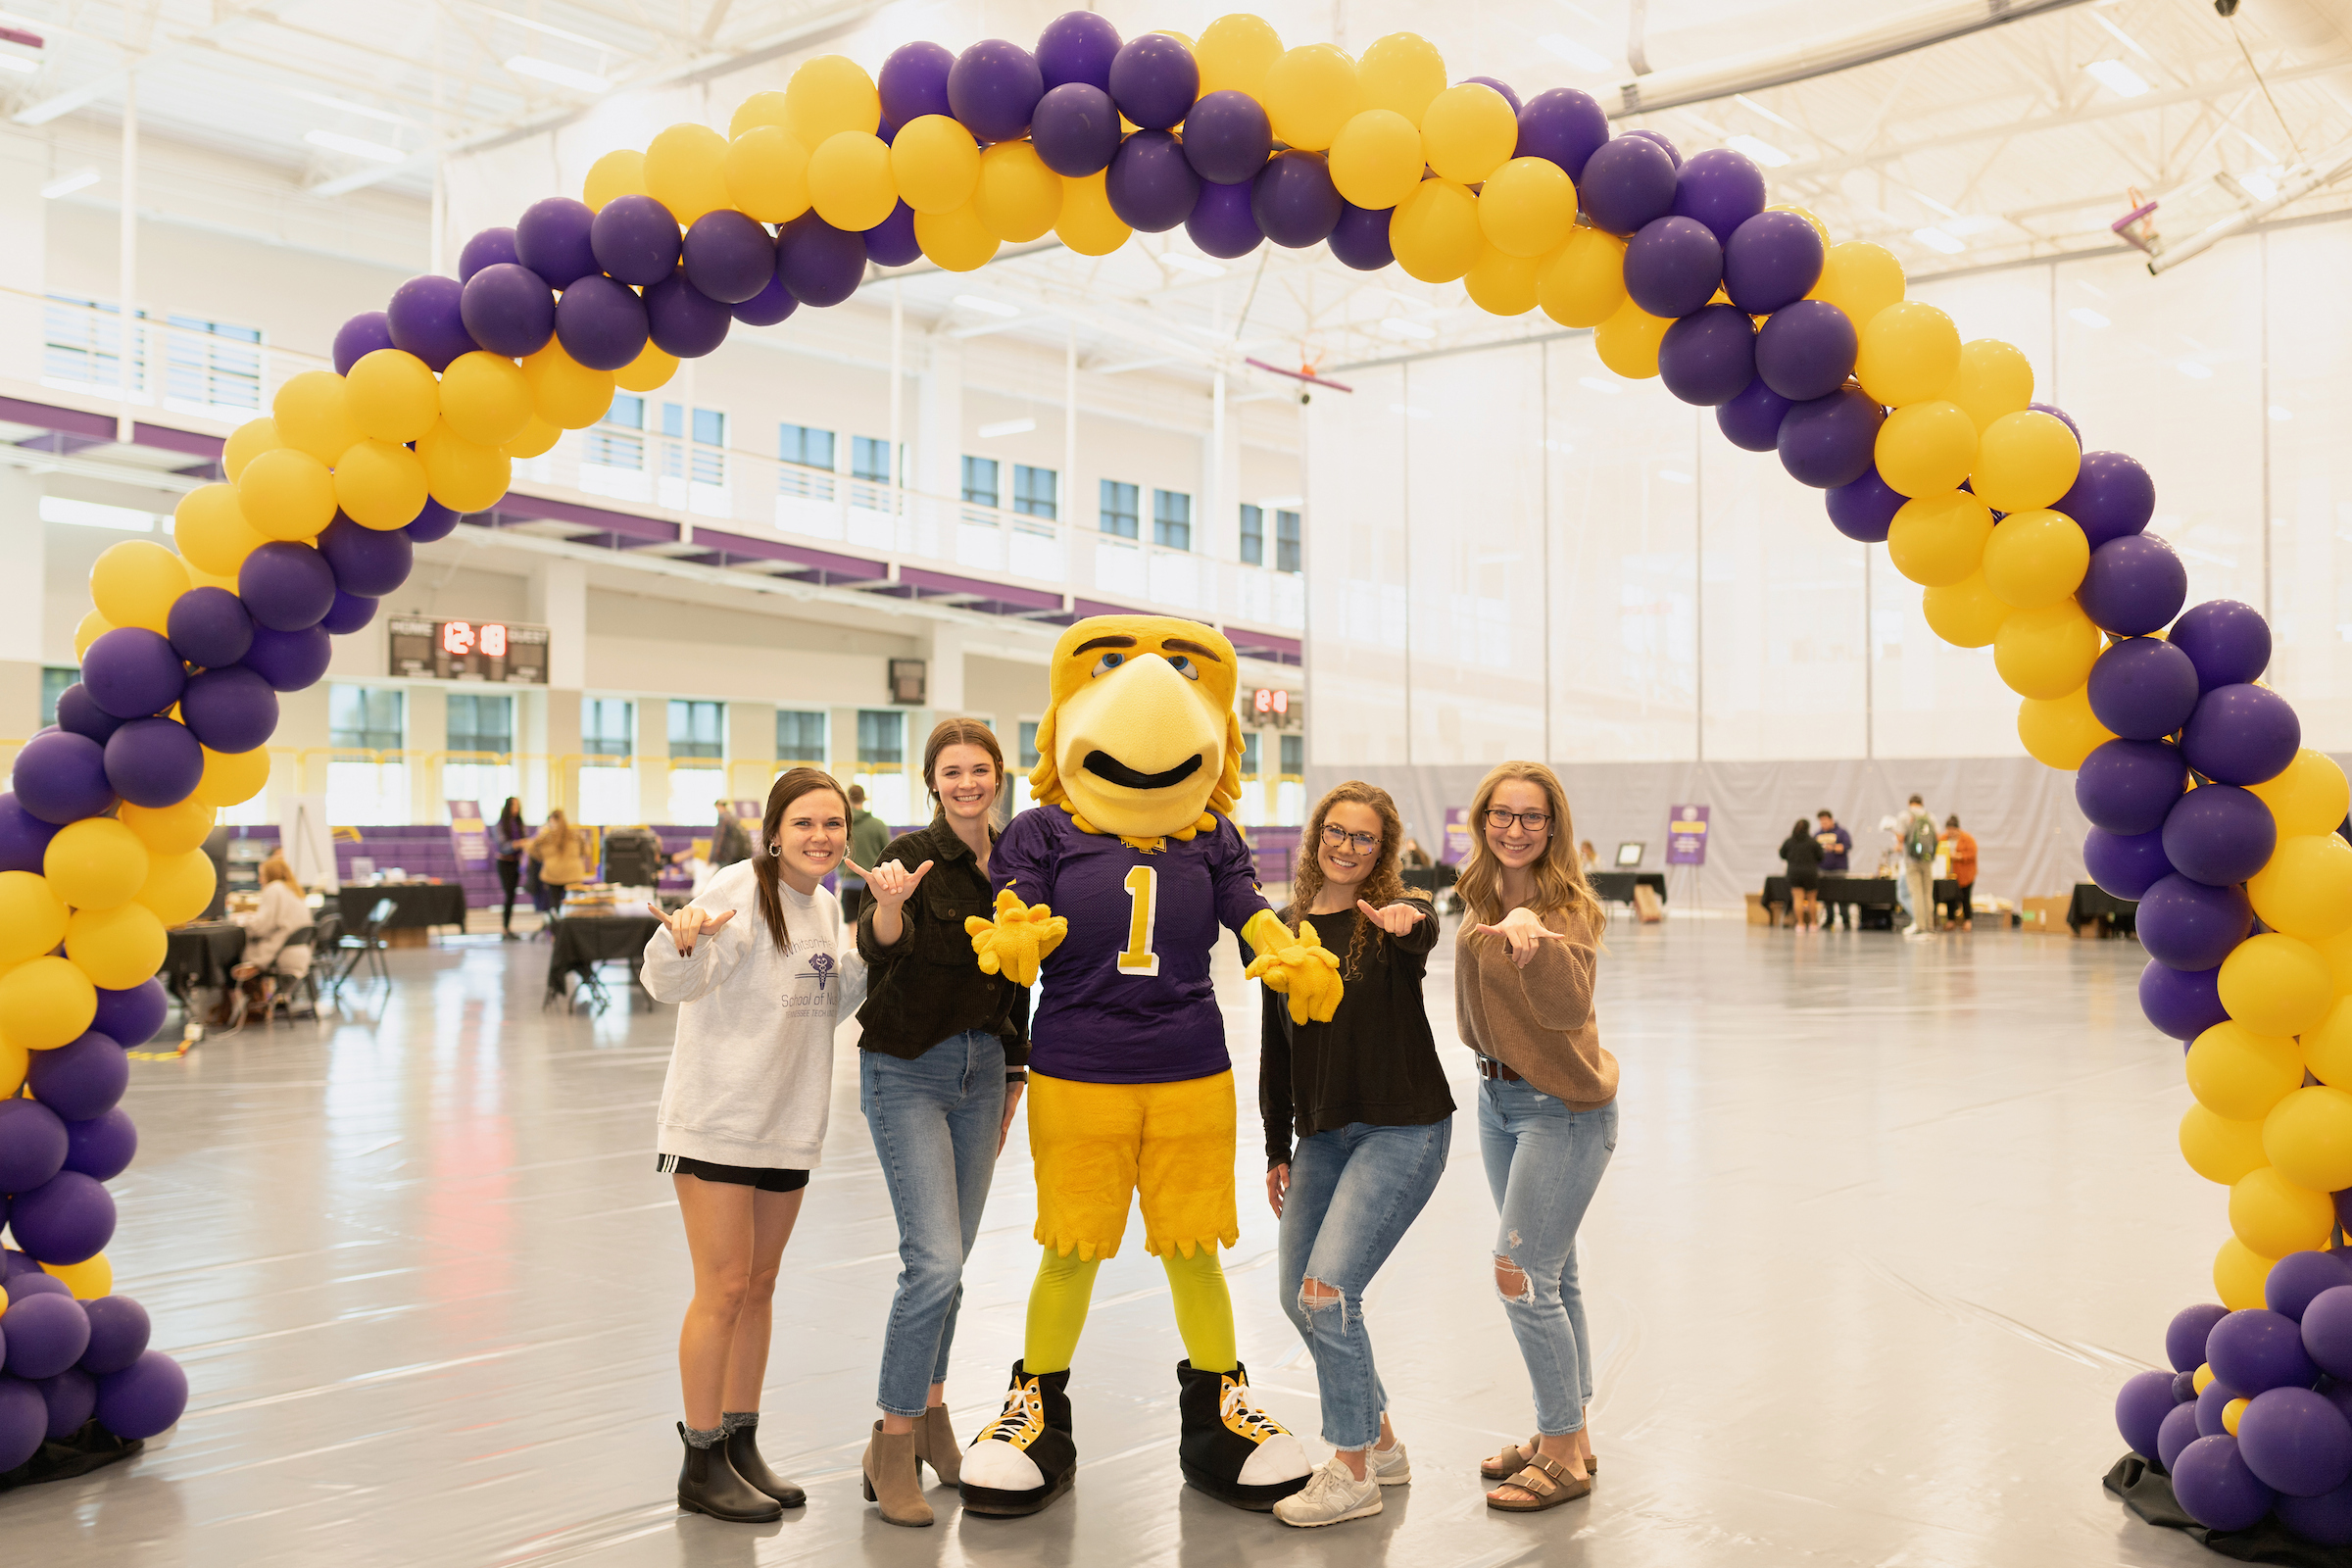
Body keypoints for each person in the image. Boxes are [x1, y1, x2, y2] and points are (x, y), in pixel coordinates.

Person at [642, 767, 866, 1524]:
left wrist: (882, 943)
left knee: (761, 1286)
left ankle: (741, 1443)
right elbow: (672, 984)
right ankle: (700, 1460)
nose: (821, 837)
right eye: (805, 823)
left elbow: (818, 1008)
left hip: (787, 1124)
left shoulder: (828, 908)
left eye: (833, 823)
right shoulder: (736, 890)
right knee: (725, 1287)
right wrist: (677, 944)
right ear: (774, 831)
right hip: (717, 1120)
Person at [851, 720, 1031, 1528]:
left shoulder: (1021, 861)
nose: (967, 782)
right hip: (908, 1069)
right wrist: (889, 907)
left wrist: (1017, 1072)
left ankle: (932, 1416)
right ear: (932, 779)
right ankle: (892, 1441)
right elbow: (883, 945)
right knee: (933, 1261)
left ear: (999, 775)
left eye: (979, 769)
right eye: (951, 771)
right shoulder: (908, 854)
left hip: (983, 1073)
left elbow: (1020, 974)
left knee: (954, 1266)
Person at [1257, 781, 1451, 1529]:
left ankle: (1350, 1470)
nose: (1344, 846)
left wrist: (1408, 918)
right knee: (1294, 1297)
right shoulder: (1284, 926)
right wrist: (1279, 1144)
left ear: (1383, 851)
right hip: (1323, 1136)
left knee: (1328, 1294)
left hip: (1403, 1129)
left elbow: (1421, 928)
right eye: (1334, 832)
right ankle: (1385, 1445)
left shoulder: (1394, 922)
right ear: (1315, 838)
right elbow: (1277, 1043)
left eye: (1363, 838)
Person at [1456, 760, 1612, 1515]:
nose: (1515, 829)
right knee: (1557, 1275)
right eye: (1503, 814)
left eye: (1532, 817)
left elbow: (1569, 1005)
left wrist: (1534, 942)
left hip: (1563, 1109)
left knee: (1519, 1273)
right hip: (1499, 1099)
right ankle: (1570, 1437)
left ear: (1553, 828)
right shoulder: (1476, 891)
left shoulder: (1567, 907)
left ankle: (1560, 1455)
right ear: (1483, 817)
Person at [229, 853, 312, 1024]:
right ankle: (257, 1004)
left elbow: (260, 927)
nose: (260, 880)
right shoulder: (293, 889)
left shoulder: (274, 889)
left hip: (282, 954)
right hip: (301, 952)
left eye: (262, 875)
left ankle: (239, 1010)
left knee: (230, 961)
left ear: (270, 875)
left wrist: (245, 920)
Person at [840, 784, 891, 922]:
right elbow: (889, 854)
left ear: (848, 799)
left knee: (852, 930)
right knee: (870, 927)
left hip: (848, 882)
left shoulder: (842, 825)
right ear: (864, 800)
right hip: (872, 883)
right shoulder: (878, 825)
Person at [531, 808, 589, 917]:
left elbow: (533, 850)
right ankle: (570, 930)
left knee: (555, 903)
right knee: (572, 905)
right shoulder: (575, 835)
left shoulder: (546, 836)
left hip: (553, 874)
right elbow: (585, 851)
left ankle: (556, 930)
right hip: (573, 874)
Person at [1897, 795, 1937, 940]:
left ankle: (1920, 927)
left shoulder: (1905, 816)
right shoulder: (1930, 816)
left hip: (1912, 860)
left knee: (1916, 894)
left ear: (1909, 803)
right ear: (1922, 803)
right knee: (1928, 893)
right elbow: (1937, 836)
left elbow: (1901, 838)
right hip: (1927, 860)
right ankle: (1930, 926)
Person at [494, 797, 529, 941]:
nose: (516, 808)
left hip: (516, 862)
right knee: (508, 894)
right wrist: (518, 844)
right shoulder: (501, 824)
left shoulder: (519, 824)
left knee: (512, 895)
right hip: (504, 862)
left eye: (518, 805)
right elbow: (504, 846)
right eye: (514, 805)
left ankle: (508, 927)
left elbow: (525, 841)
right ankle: (505, 928)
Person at [1778, 818, 1823, 929]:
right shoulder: (1813, 842)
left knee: (1798, 898)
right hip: (1810, 873)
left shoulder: (1789, 841)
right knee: (1812, 898)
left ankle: (1800, 924)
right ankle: (1813, 924)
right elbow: (1821, 856)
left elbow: (1782, 854)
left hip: (1794, 872)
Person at [1813, 810, 1852, 929]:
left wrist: (1833, 847)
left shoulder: (1841, 832)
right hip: (1822, 869)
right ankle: (1829, 918)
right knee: (1827, 896)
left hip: (1838, 870)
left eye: (1825, 821)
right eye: (1821, 821)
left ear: (1831, 820)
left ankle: (1845, 919)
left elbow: (1846, 847)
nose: (1823, 823)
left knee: (1841, 896)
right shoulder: (1817, 834)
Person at [1940, 814, 1979, 932]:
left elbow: (1973, 853)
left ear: (1957, 829)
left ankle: (1968, 921)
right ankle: (1951, 920)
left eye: (1953, 830)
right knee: (1950, 898)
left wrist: (1959, 856)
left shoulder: (1967, 839)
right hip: (1950, 874)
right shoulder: (1943, 839)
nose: (1950, 832)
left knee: (1965, 898)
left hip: (1965, 874)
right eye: (1949, 830)